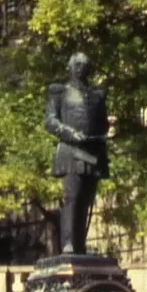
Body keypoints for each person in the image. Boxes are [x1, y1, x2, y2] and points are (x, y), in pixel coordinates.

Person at [44, 52, 109, 253]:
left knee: (85, 201)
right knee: (72, 197)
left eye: (85, 65)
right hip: (71, 151)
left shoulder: (97, 96)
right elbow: (50, 121)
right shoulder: (60, 92)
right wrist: (70, 133)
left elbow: (103, 123)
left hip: (92, 152)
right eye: (78, 64)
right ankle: (68, 243)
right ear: (70, 67)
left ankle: (80, 244)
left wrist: (99, 137)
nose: (82, 68)